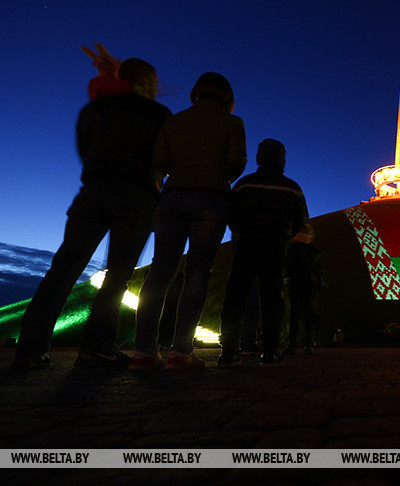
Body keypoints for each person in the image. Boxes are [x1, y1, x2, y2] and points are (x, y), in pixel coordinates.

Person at [12, 58, 171, 370]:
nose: (156, 89)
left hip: (92, 191)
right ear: (143, 81)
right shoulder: (160, 115)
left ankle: (30, 348)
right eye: (154, 83)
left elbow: (84, 149)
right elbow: (165, 159)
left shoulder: (93, 110)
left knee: (62, 270)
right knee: (118, 275)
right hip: (136, 196)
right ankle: (96, 348)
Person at [129, 72, 246, 371]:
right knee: (198, 272)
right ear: (227, 96)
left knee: (160, 272)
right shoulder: (233, 123)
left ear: (196, 92)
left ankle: (143, 352)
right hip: (211, 198)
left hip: (172, 198)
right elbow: (236, 162)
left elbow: (160, 160)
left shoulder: (174, 120)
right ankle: (181, 351)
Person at [217, 139, 308, 367]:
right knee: (271, 300)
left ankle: (228, 351)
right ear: (282, 160)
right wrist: (284, 234)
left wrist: (240, 230)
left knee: (235, 298)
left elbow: (230, 214)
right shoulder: (292, 187)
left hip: (246, 243)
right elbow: (301, 220)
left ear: (258, 159)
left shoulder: (243, 184)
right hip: (274, 246)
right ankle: (269, 352)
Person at [284, 223, 322, 356]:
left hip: (294, 284)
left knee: (293, 315)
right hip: (309, 286)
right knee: (308, 315)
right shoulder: (313, 249)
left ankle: (292, 345)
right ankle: (309, 344)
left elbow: (287, 267)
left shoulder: (293, 248)